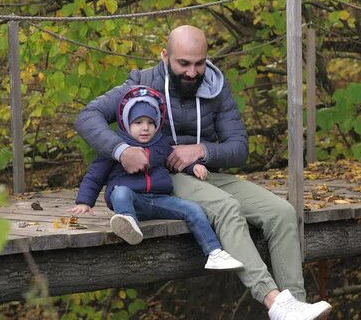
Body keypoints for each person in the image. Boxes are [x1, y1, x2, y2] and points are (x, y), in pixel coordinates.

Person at [75, 25, 332, 320]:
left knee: (281, 212)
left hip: (204, 173)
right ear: (164, 56)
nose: (193, 72)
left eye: (199, 63)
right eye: (183, 63)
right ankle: (273, 301)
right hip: (160, 178)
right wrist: (122, 151)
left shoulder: (216, 87)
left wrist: (202, 150)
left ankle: (294, 306)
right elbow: (87, 117)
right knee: (226, 207)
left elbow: (239, 147)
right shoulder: (141, 82)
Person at [68, 85, 244, 271]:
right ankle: (127, 222)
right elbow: (95, 175)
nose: (145, 128)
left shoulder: (160, 143)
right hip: (132, 201)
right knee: (120, 192)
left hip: (159, 200)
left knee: (193, 209)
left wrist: (194, 166)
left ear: (157, 124)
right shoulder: (118, 149)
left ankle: (214, 252)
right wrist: (85, 201)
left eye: (150, 123)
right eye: (138, 123)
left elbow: (174, 161)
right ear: (127, 123)